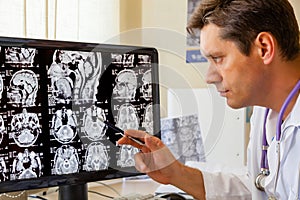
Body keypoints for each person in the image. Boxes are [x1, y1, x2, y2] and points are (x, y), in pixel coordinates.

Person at [117, 0, 300, 199]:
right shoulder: (265, 112)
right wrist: (176, 173)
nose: (209, 77)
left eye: (218, 58)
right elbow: (258, 189)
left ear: (264, 48)